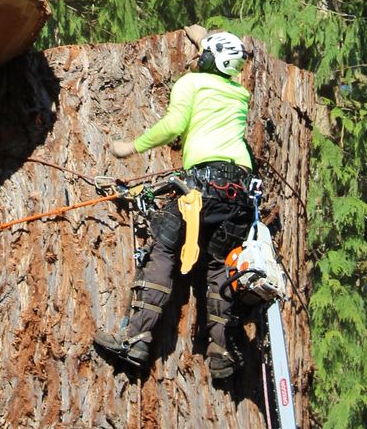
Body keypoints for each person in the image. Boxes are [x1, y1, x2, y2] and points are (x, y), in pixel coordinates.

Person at [93, 31, 255, 379]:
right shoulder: (239, 92)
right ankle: (222, 353)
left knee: (163, 250)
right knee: (218, 267)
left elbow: (174, 125)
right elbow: (227, 61)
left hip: (202, 187)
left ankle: (135, 338)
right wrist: (204, 38)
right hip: (239, 196)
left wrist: (131, 147)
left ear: (207, 59)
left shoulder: (191, 83)